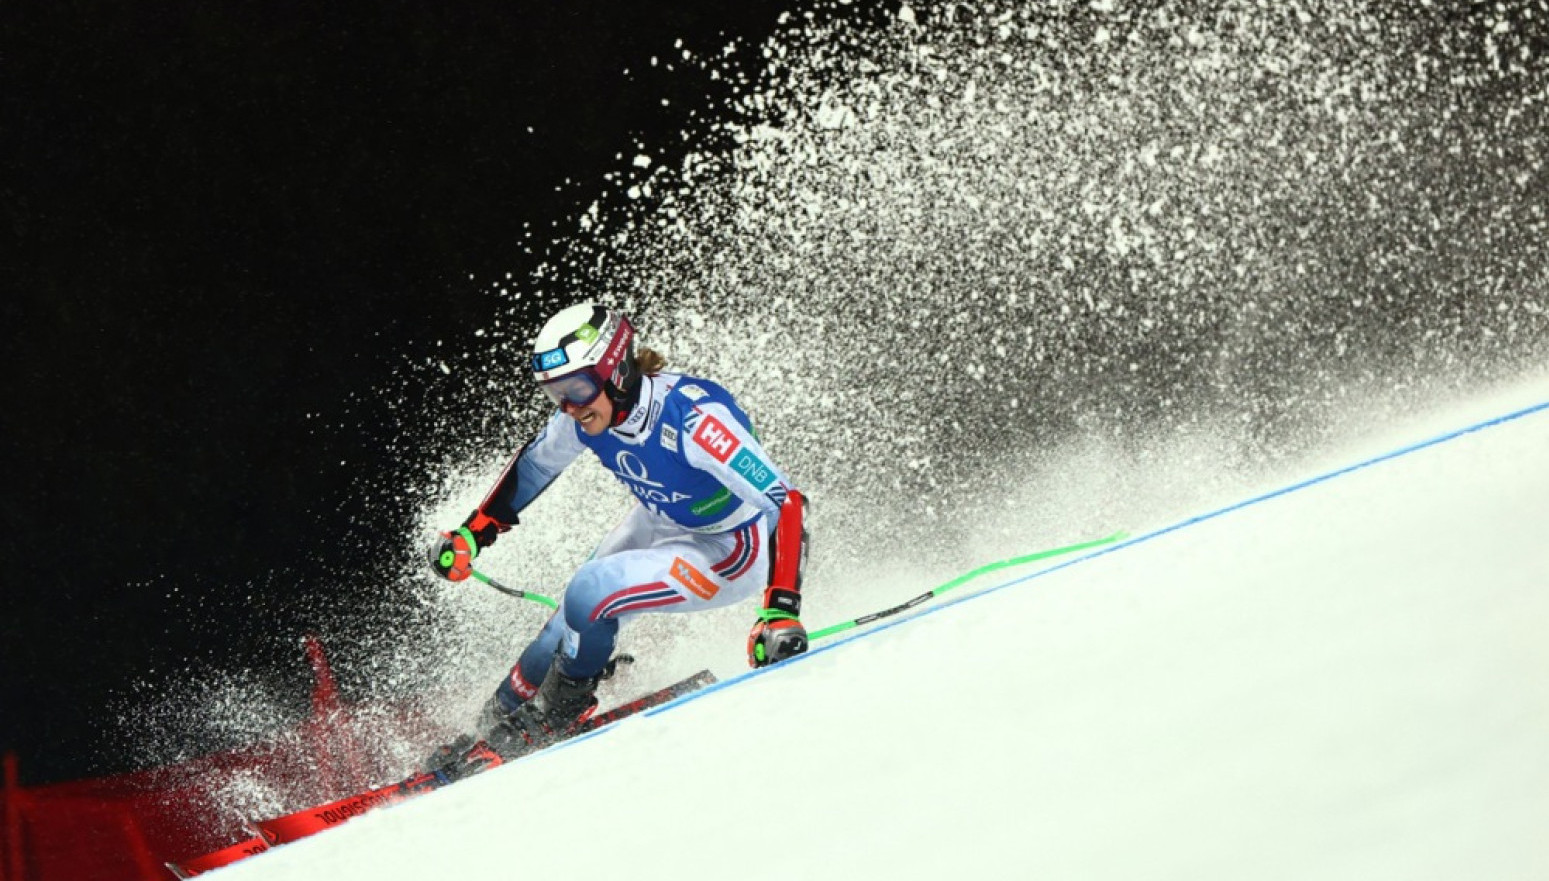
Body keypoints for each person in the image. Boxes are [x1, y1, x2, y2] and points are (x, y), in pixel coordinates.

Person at [427, 302, 810, 762]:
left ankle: (556, 714)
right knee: (558, 630)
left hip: (731, 547)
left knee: (591, 590)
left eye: (577, 388)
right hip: (661, 521)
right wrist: (473, 535)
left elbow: (786, 502)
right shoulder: (585, 415)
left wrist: (780, 611)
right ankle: (485, 731)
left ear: (618, 372)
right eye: (556, 395)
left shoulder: (693, 419)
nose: (569, 406)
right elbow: (533, 468)